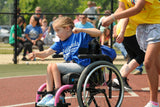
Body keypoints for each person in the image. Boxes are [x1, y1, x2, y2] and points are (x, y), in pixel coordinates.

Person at [28, 16, 101, 106]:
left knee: (54, 66)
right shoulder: (61, 42)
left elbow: (99, 32)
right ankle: (49, 94)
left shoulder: (80, 34)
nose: (56, 34)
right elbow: (46, 53)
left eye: (58, 30)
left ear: (67, 28)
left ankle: (60, 96)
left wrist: (82, 30)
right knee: (50, 66)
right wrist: (36, 54)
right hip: (71, 65)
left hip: (82, 65)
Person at [102, 0, 160, 106]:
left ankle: (153, 102)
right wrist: (113, 17)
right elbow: (122, 8)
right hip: (141, 28)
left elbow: (137, 8)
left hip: (156, 24)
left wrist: (113, 18)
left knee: (148, 62)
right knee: (156, 65)